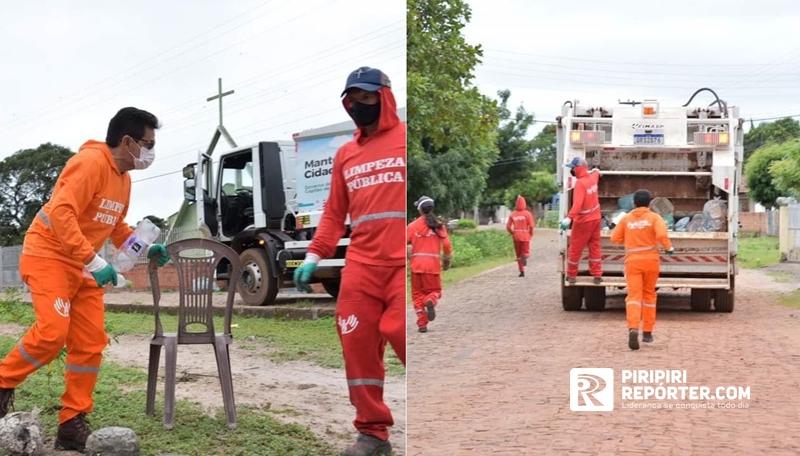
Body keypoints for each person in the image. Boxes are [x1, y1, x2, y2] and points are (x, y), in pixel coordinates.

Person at [0, 107, 170, 451]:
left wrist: (144, 248)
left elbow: (116, 226)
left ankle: (71, 421)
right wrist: (94, 260)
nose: (151, 152)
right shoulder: (89, 163)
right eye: (148, 144)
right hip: (49, 256)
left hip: (82, 266)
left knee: (90, 342)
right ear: (128, 141)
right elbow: (62, 213)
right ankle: (3, 382)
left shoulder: (123, 180)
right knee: (52, 333)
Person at [293, 67, 405, 456]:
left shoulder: (406, 141)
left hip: (401, 266)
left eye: (368, 97)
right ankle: (373, 433)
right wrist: (313, 255)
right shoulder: (345, 154)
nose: (360, 105)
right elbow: (332, 213)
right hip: (361, 265)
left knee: (401, 331)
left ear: (385, 97)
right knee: (356, 345)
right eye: (353, 98)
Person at [610, 189, 674, 350]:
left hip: (632, 261)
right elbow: (661, 235)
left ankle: (633, 328)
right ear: (650, 203)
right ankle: (647, 332)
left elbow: (614, 239)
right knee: (649, 295)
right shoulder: (655, 218)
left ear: (634, 203)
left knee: (633, 296)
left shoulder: (626, 219)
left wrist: (630, 237)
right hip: (651, 261)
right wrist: (668, 247)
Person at [407, 196, 453, 333]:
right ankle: (431, 301)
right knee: (436, 292)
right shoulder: (438, 225)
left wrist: (408, 255)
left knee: (417, 295)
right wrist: (447, 261)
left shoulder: (412, 226)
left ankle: (422, 323)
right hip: (433, 267)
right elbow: (446, 245)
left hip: (416, 267)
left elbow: (402, 243)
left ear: (420, 209)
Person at [560, 157, 603, 284]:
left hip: (583, 222)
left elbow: (577, 204)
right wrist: (596, 171)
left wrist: (569, 218)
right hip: (596, 219)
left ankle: (572, 276)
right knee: (594, 247)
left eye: (572, 168)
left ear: (577, 168)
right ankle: (597, 275)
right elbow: (596, 173)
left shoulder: (580, 183)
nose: (571, 170)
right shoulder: (591, 179)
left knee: (575, 249)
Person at [506, 195, 535, 277]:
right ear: (524, 204)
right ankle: (524, 257)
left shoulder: (513, 214)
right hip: (525, 235)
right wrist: (531, 234)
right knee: (526, 252)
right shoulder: (528, 214)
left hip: (516, 236)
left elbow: (508, 227)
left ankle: (521, 271)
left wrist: (512, 233)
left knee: (518, 254)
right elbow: (532, 226)